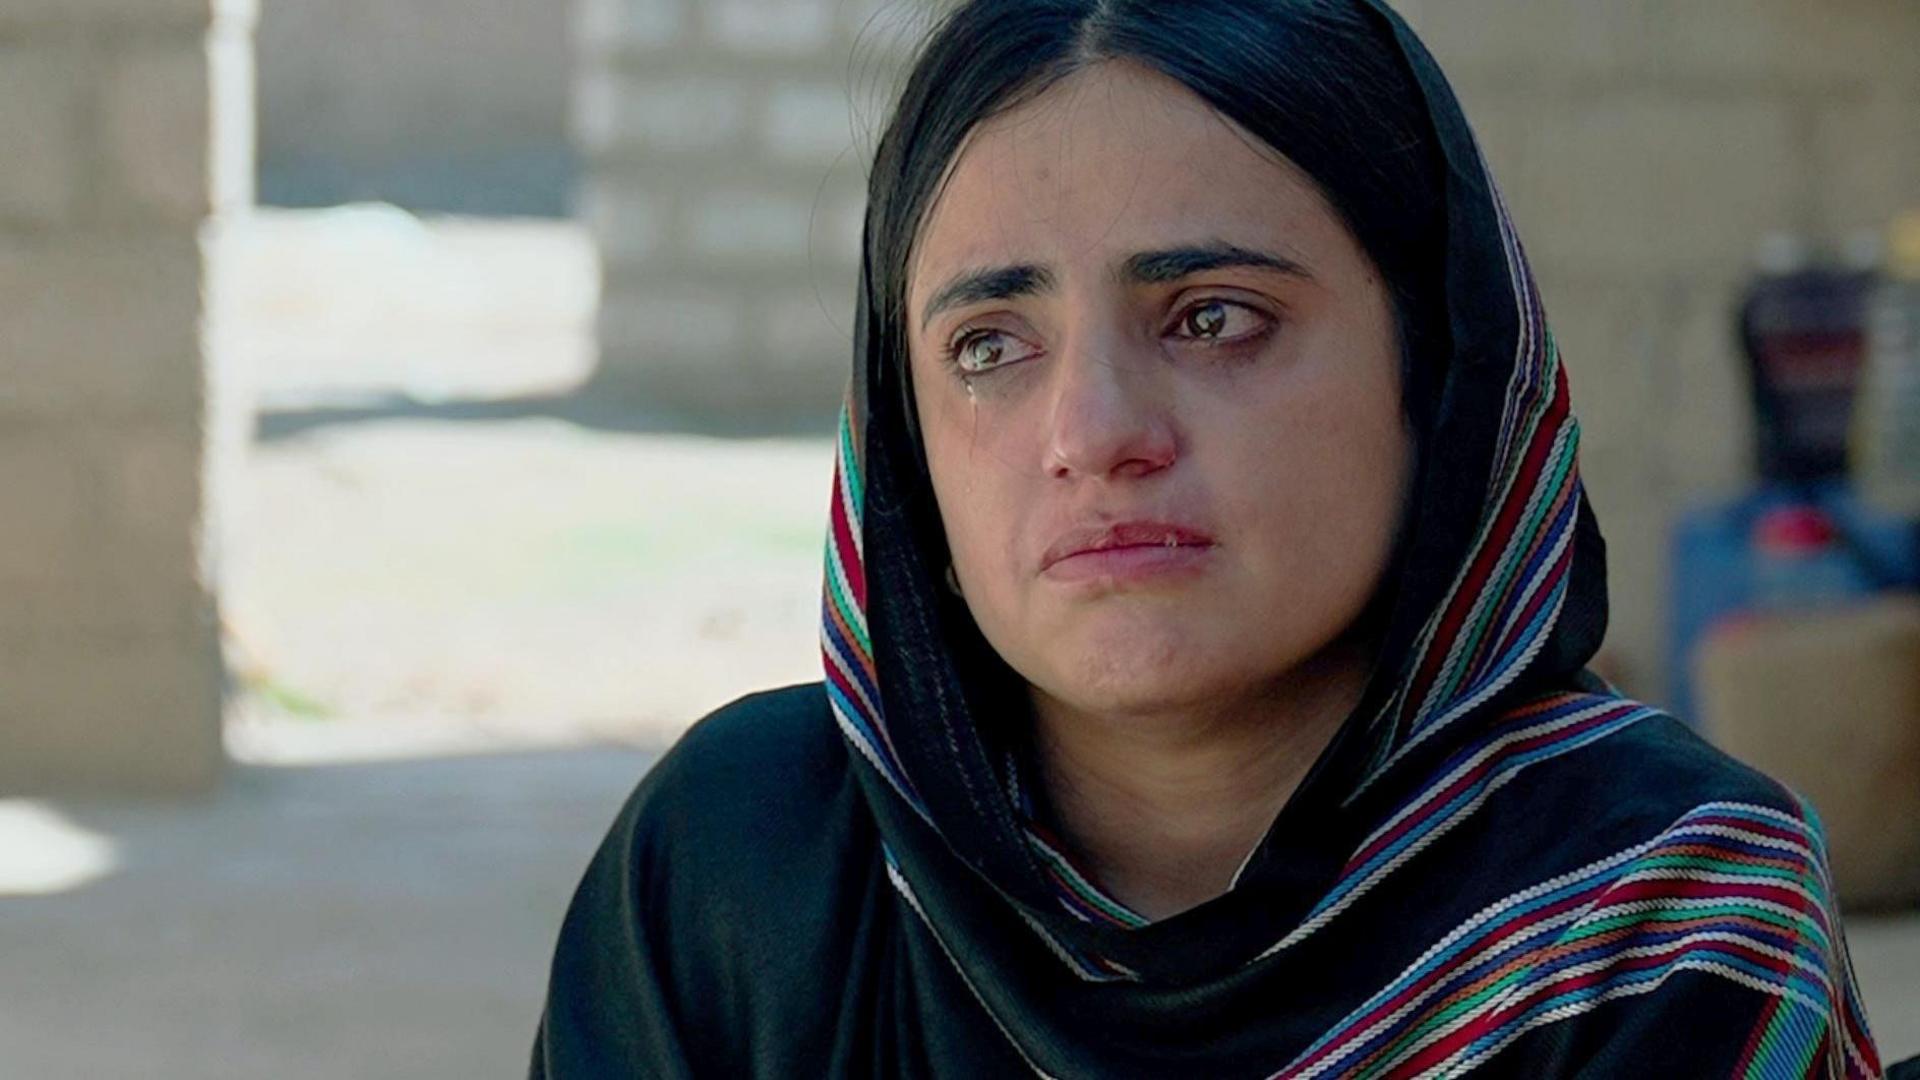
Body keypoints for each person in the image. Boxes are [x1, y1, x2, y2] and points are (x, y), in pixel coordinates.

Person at [530, 1, 1886, 1075]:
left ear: (1442, 373)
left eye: (1212, 318)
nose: (1093, 431)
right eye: (989, 345)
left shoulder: (1654, 915)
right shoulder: (742, 872)